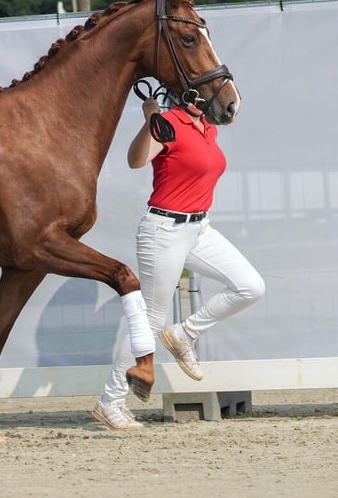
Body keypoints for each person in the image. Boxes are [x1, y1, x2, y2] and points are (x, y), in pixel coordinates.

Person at [92, 96, 266, 430]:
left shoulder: (208, 128)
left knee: (250, 286)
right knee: (152, 319)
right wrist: (150, 120)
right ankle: (110, 402)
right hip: (164, 230)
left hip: (200, 228)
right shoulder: (169, 122)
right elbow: (135, 160)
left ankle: (185, 333)